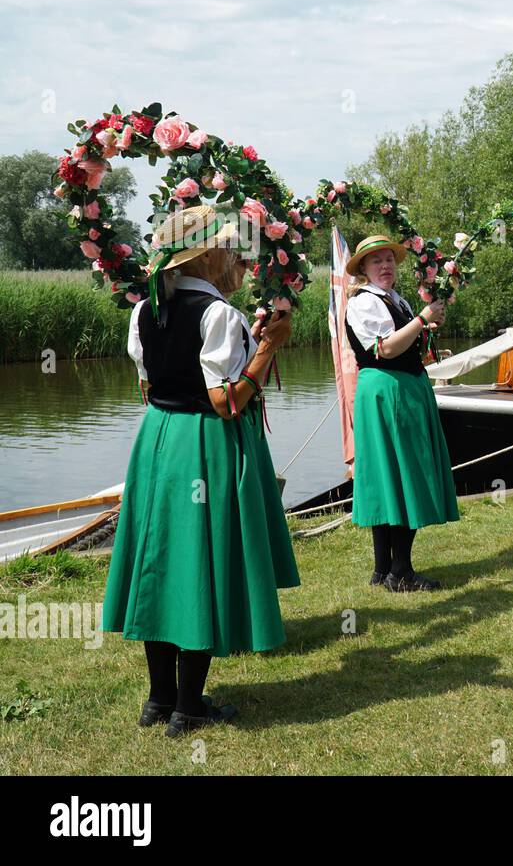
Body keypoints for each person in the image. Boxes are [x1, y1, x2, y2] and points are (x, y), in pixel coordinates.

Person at [103, 205, 298, 738]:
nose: (237, 257)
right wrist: (269, 349)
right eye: (231, 248)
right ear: (207, 255)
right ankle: (189, 705)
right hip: (204, 443)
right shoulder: (219, 316)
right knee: (198, 562)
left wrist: (247, 343)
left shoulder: (143, 312)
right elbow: (225, 401)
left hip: (158, 440)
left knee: (163, 560)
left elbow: (149, 385)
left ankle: (159, 700)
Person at [345, 235, 459, 592]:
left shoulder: (397, 300)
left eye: (390, 260)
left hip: (402, 387)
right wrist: (422, 319)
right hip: (388, 389)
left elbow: (407, 344)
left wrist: (424, 329)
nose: (385, 266)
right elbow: (387, 348)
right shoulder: (364, 302)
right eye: (376, 260)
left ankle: (384, 570)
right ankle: (400, 572)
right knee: (400, 473)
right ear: (363, 268)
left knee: (390, 474)